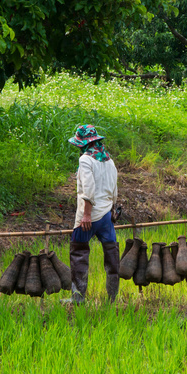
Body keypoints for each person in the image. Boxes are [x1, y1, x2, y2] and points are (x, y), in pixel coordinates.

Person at [67, 124, 120, 304]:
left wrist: (86, 215)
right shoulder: (109, 161)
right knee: (111, 254)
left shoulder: (85, 160)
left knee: (78, 251)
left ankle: (78, 298)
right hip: (106, 216)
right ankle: (112, 298)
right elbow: (114, 189)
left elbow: (88, 189)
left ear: (83, 144)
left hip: (90, 216)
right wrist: (113, 209)